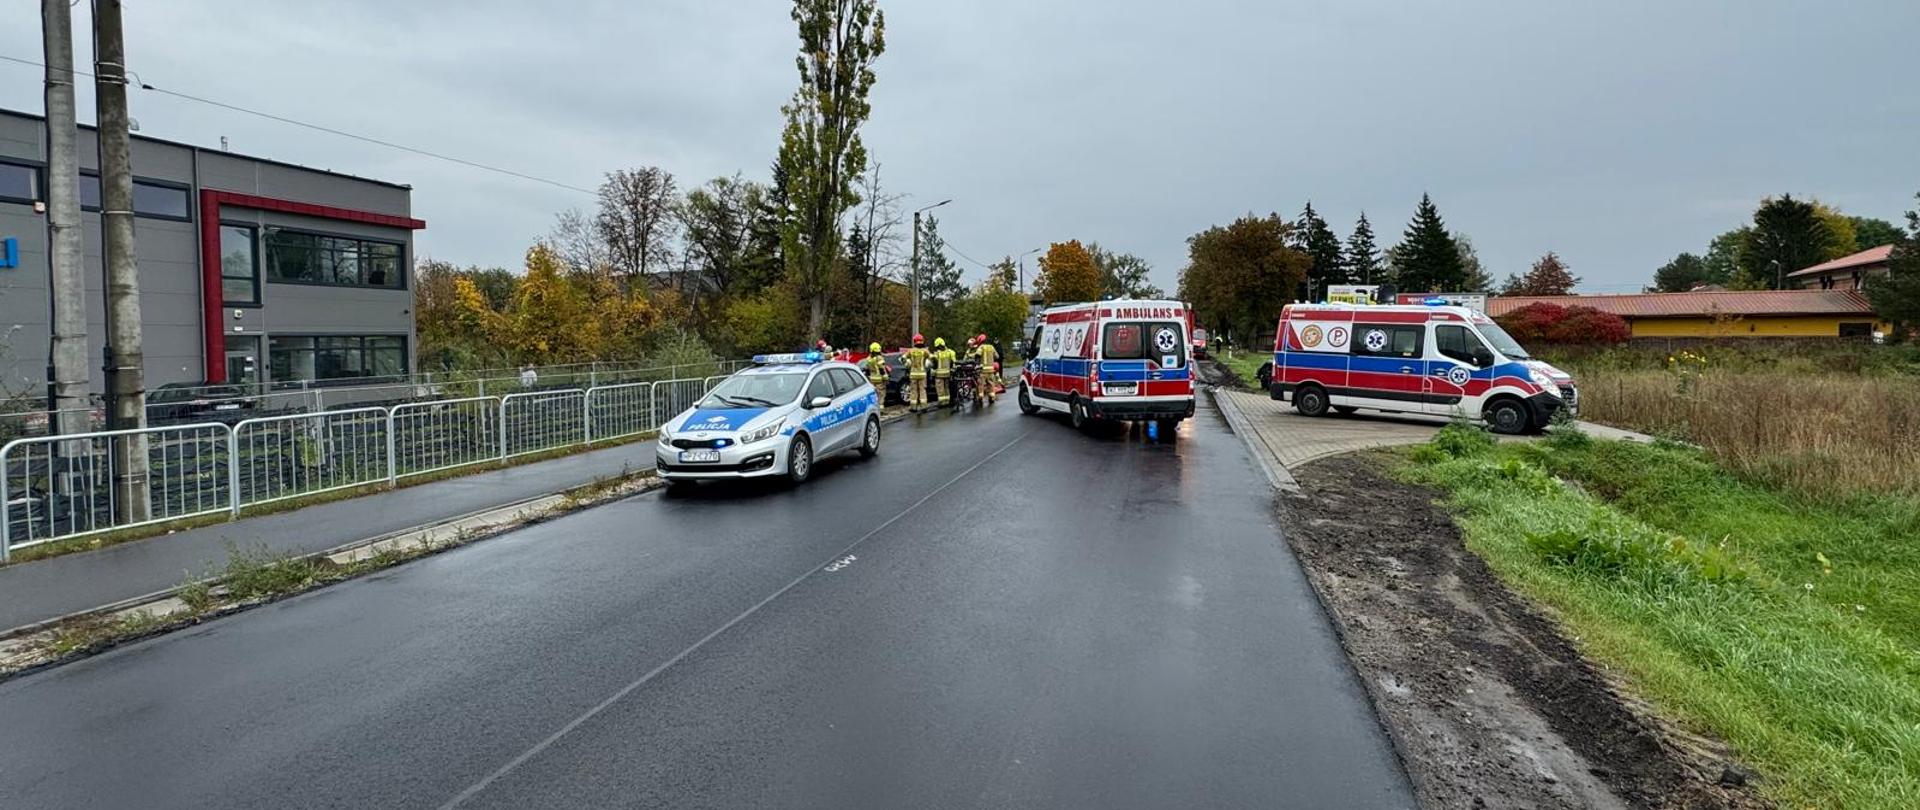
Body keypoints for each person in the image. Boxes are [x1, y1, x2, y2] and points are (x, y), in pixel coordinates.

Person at [905, 334, 931, 412]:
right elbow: (931, 358)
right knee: (922, 390)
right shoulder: (925, 351)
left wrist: (908, 364)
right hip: (922, 374)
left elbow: (902, 359)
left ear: (914, 342)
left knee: (913, 390)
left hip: (913, 374)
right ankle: (924, 407)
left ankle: (913, 407)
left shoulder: (910, 351)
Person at [973, 333, 999, 405]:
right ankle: (992, 397)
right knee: (990, 384)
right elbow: (997, 356)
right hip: (991, 370)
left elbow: (977, 355)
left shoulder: (981, 347)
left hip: (983, 370)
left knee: (980, 384)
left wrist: (976, 364)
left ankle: (980, 397)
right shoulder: (991, 347)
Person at [932, 337, 957, 408]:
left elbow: (934, 364)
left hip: (939, 375)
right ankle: (947, 401)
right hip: (947, 374)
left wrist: (933, 373)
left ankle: (942, 403)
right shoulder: (950, 352)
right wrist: (952, 371)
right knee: (946, 388)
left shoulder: (937, 354)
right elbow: (954, 362)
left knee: (940, 389)